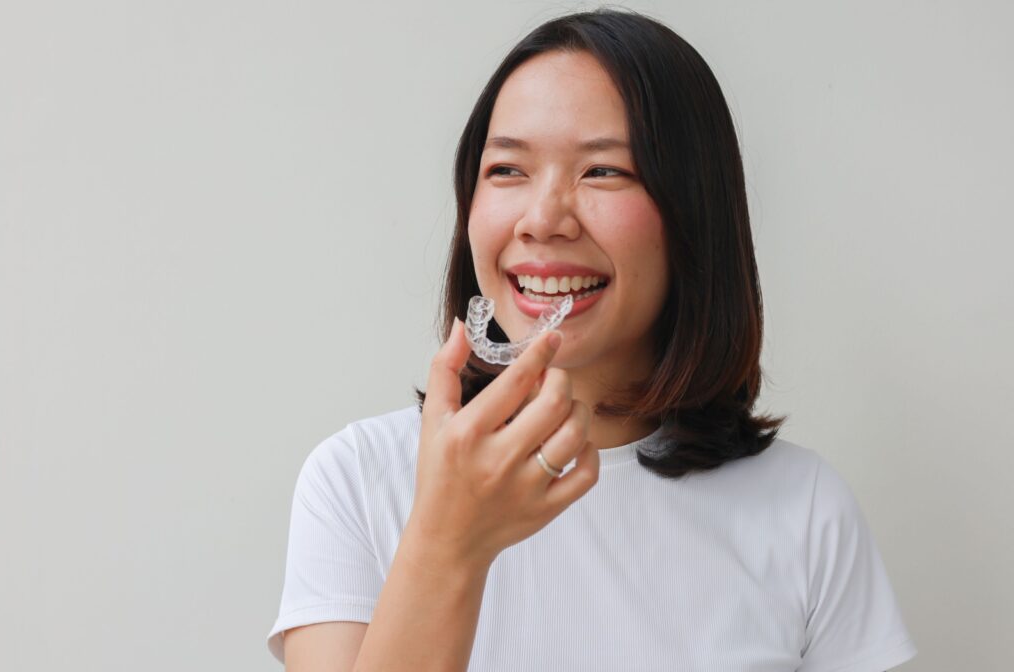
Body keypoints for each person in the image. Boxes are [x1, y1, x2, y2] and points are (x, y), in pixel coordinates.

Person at [267, 9, 917, 671]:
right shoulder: (355, 480)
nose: (543, 219)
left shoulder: (804, 509)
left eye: (604, 172)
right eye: (507, 171)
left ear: (694, 213)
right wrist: (447, 541)